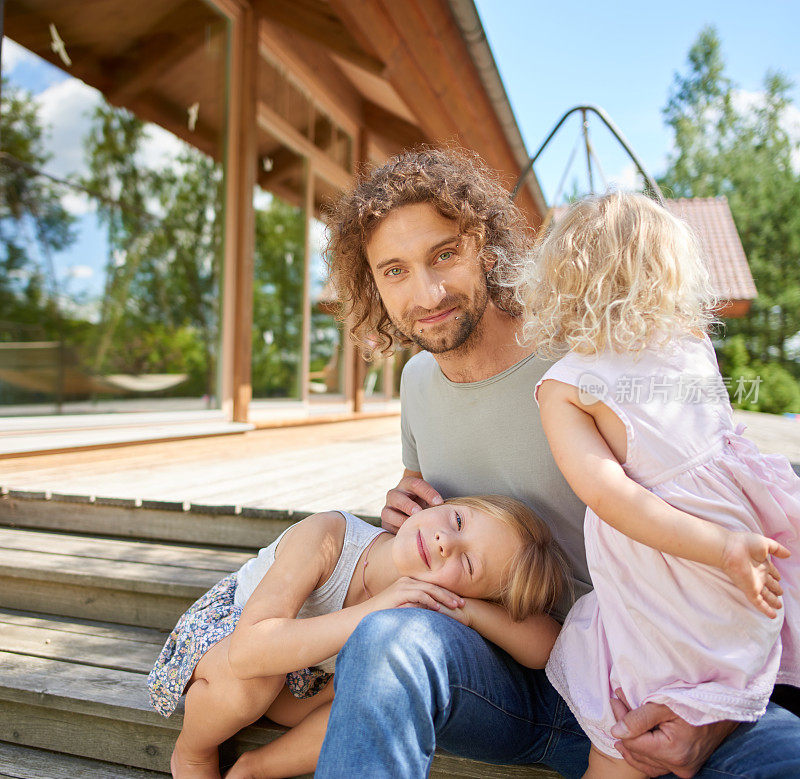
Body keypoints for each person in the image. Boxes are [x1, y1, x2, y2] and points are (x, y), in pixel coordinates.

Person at [316, 146, 800, 778]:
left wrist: (715, 717)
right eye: (395, 270)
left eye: (443, 254)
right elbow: (442, 499)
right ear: (372, 284)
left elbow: (727, 507)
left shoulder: (590, 348)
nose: (427, 292)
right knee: (386, 642)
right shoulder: (416, 384)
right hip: (503, 682)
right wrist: (402, 508)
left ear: (485, 243)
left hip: (658, 679)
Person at [514, 191, 800, 778]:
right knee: (731, 654)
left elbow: (610, 496)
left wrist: (723, 548)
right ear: (670, 271)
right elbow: (716, 443)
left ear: (562, 283)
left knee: (628, 727)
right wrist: (725, 541)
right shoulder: (693, 346)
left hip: (667, 564)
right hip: (736, 533)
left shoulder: (566, 385)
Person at [146, 495, 566, 778]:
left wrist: (468, 611)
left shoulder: (434, 601)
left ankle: (255, 768)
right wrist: (376, 608)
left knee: (373, 689)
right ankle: (194, 750)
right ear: (444, 501)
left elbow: (545, 647)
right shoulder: (331, 536)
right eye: (456, 521)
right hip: (234, 643)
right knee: (251, 684)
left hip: (305, 681)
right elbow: (248, 653)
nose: (444, 542)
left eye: (468, 564)